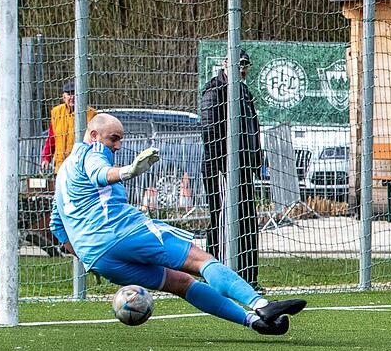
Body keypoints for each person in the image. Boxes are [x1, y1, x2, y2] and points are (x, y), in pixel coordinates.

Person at [49, 114, 305, 334]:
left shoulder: (63, 173)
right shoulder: (93, 151)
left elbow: (57, 226)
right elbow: (99, 173)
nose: (116, 145)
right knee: (200, 261)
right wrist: (130, 171)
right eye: (113, 138)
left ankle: (253, 322)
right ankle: (261, 305)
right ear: (94, 134)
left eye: (119, 139)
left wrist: (84, 254)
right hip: (122, 231)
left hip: (98, 258)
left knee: (180, 283)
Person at [200, 50, 263, 286]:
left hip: (243, 169)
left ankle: (248, 277)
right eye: (239, 64)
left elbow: (253, 127)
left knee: (247, 221)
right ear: (226, 64)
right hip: (221, 169)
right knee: (221, 220)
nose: (243, 68)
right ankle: (216, 275)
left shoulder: (244, 92)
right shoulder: (214, 90)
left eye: (246, 64)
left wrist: (256, 158)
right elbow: (210, 132)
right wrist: (224, 166)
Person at [41, 80, 97, 173]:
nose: (72, 97)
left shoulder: (91, 114)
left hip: (81, 166)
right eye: (69, 94)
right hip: (60, 165)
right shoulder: (56, 112)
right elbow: (51, 138)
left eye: (75, 94)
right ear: (64, 97)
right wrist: (46, 158)